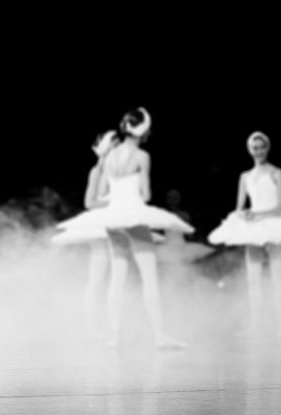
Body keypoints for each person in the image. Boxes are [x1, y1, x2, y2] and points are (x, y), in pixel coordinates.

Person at [56, 107, 194, 349]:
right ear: (143, 130)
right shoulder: (142, 156)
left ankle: (114, 336)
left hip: (114, 218)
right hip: (132, 214)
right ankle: (159, 336)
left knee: (117, 278)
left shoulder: (109, 158)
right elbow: (147, 194)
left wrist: (118, 199)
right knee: (149, 278)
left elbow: (101, 195)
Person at [208, 131, 281, 337]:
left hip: (274, 225)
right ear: (250, 150)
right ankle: (255, 326)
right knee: (254, 280)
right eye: (255, 148)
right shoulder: (245, 176)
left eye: (262, 147)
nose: (258, 151)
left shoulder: (276, 173)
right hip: (254, 229)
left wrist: (257, 214)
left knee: (278, 278)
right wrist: (241, 216)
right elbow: (240, 206)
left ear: (267, 148)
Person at [52, 129, 118, 341]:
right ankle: (93, 329)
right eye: (114, 143)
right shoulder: (98, 170)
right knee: (99, 277)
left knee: (112, 277)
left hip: (114, 224)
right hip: (101, 225)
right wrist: (115, 204)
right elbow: (89, 203)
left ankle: (109, 327)